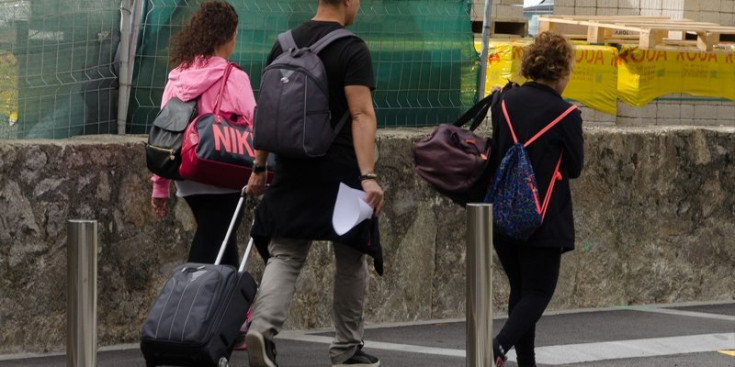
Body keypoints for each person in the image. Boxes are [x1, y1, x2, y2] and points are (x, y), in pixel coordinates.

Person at [244, 0, 385, 366]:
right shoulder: (351, 48)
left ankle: (261, 329)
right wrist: (368, 176)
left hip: (292, 165)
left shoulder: (284, 43)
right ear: (349, 1)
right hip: (341, 169)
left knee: (286, 254)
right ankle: (346, 349)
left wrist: (260, 167)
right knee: (351, 257)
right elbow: (361, 114)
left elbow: (267, 111)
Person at [488, 32, 584, 367]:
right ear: (560, 72)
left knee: (521, 291)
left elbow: (498, 148)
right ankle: (499, 346)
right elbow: (575, 167)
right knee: (538, 293)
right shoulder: (566, 114)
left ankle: (525, 362)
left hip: (503, 216)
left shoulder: (504, 102)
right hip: (541, 222)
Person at [150, 1, 255, 269]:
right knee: (212, 241)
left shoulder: (177, 77)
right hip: (227, 174)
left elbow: (166, 135)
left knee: (222, 241)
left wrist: (160, 186)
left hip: (189, 175)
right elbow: (256, 128)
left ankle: (232, 310)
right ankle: (187, 303)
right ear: (230, 36)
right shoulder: (235, 77)